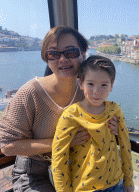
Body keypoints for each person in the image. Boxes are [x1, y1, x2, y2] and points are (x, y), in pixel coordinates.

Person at [0, 26, 118, 192]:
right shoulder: (30, 93)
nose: (62, 59)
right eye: (53, 54)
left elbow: (100, 119)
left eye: (70, 52)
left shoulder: (89, 90)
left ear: (83, 54)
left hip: (77, 166)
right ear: (47, 59)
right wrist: (62, 142)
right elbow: (7, 145)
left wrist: (113, 127)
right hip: (36, 171)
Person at [51, 55, 134, 192]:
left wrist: (128, 181)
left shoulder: (114, 110)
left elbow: (125, 146)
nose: (96, 91)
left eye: (104, 85)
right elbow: (59, 157)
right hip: (85, 187)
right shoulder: (71, 115)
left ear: (111, 86)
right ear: (81, 84)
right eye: (90, 84)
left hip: (116, 183)